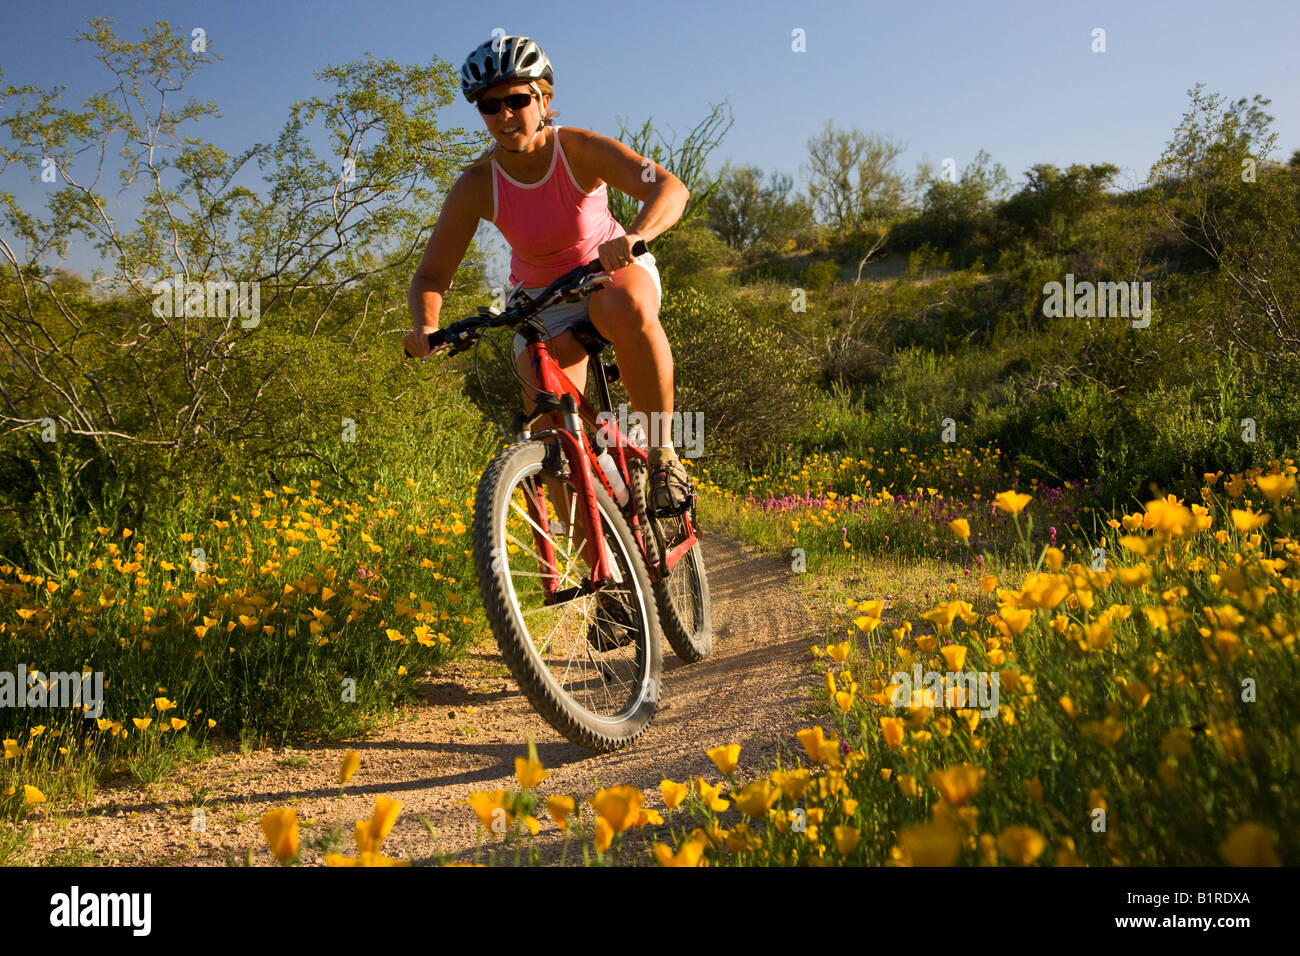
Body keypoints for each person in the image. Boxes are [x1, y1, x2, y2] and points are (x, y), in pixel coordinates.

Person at [404, 34, 694, 521]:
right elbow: (431, 274)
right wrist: (426, 326)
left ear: (544, 98)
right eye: (489, 105)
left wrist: (637, 234)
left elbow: (670, 188)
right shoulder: (477, 184)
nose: (504, 115)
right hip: (542, 300)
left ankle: (664, 455)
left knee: (623, 306)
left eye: (516, 100)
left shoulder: (577, 148)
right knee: (551, 440)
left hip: (608, 272)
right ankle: (608, 584)